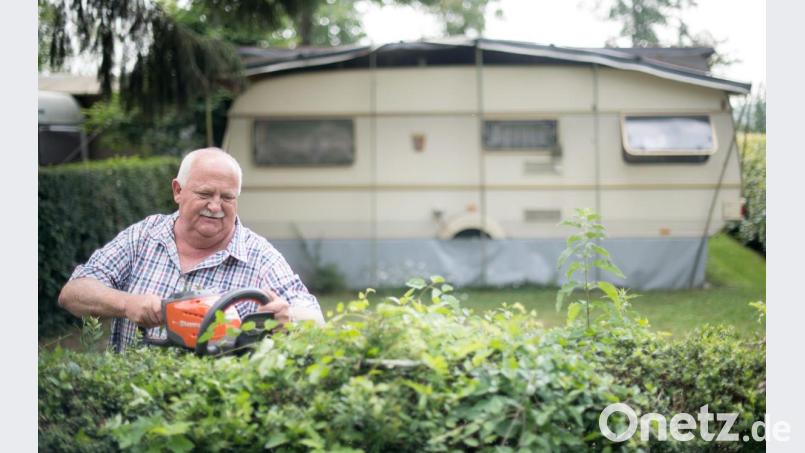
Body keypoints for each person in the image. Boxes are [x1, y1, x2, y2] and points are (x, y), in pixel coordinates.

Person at [58, 147, 324, 352]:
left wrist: (289, 317)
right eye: (205, 194)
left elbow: (315, 319)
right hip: (128, 396)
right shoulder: (144, 236)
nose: (216, 206)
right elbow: (73, 293)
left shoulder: (259, 256)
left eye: (227, 197)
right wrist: (127, 304)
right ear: (178, 191)